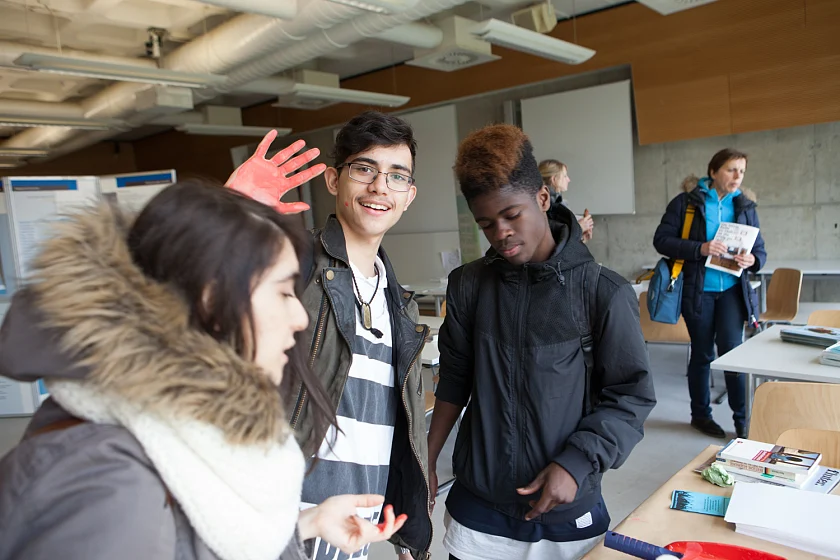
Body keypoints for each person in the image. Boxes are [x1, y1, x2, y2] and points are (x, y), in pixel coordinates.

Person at [0, 179, 407, 560]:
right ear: (213, 300)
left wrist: (304, 525)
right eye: (284, 292)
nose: (300, 317)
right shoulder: (109, 484)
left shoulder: (178, 427)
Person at [427, 124, 656, 560]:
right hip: (478, 509)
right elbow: (454, 380)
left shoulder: (601, 291)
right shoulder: (469, 285)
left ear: (543, 199)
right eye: (486, 223)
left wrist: (576, 463)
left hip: (566, 507)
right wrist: (427, 460)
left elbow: (630, 396)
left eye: (512, 215)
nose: (500, 233)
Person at [230, 112, 432, 560]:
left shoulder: (399, 302)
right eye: (364, 169)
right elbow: (194, 297)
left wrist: (409, 524)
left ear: (409, 196)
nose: (380, 187)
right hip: (275, 523)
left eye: (396, 176)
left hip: (348, 532)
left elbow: (397, 421)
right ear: (332, 179)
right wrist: (229, 212)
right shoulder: (292, 260)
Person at [653, 148, 766, 440]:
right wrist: (699, 248)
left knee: (732, 353)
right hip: (697, 291)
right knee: (702, 354)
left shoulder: (745, 206)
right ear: (714, 172)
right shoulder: (686, 203)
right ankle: (700, 416)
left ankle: (743, 421)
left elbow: (760, 251)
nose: (737, 176)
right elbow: (661, 240)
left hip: (731, 291)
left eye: (741, 170)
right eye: (731, 170)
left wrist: (753, 260)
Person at [539, 159, 594, 242]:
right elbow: (553, 242)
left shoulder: (561, 203)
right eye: (565, 176)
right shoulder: (545, 206)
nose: (568, 179)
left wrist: (582, 236)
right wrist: (579, 228)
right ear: (554, 180)